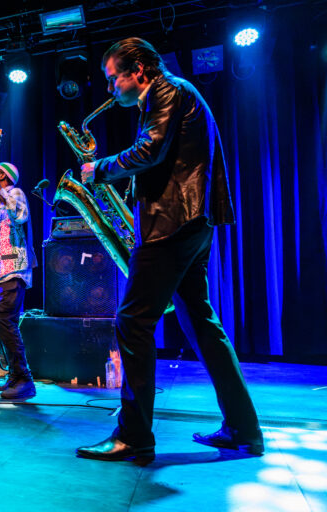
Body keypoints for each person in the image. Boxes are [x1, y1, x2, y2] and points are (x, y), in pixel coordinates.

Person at [76, 38, 263, 464]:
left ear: (138, 70)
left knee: (132, 322)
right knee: (202, 326)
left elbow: (150, 149)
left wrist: (99, 169)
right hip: (194, 222)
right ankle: (243, 428)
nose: (110, 90)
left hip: (173, 224)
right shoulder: (175, 93)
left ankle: (134, 436)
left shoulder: (166, 90)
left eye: (112, 78)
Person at [0, 162, 38, 400]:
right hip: (0, 271)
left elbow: (20, 216)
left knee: (6, 322)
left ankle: (24, 379)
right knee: (3, 324)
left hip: (13, 269)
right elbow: (1, 230)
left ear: (5, 176)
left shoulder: (15, 193)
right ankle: (14, 376)